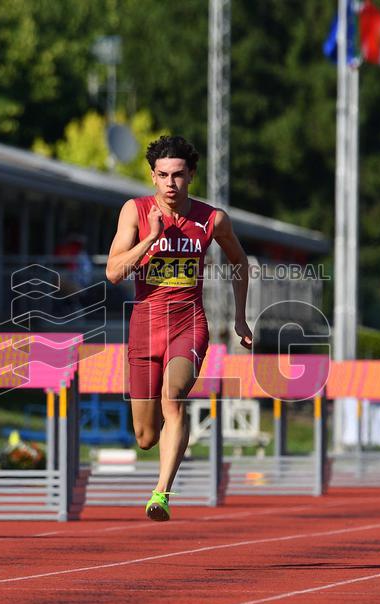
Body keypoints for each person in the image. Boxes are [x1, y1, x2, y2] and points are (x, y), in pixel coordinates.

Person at [105, 135, 252, 521]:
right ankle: (159, 465)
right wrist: (150, 239)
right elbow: (114, 272)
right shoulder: (134, 212)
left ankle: (161, 493)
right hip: (144, 326)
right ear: (152, 177)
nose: (171, 183)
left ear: (191, 176)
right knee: (145, 436)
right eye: (163, 175)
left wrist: (240, 316)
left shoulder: (211, 219)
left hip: (188, 324)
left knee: (174, 398)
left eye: (179, 175)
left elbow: (240, 261)